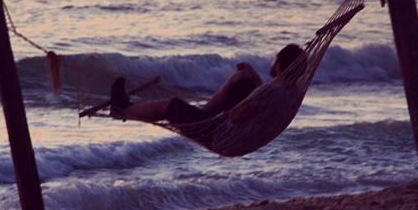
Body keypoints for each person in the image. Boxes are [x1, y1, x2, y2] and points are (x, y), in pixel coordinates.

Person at [110, 43, 304, 124]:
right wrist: (251, 74)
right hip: (233, 131)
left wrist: (226, 116)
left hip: (217, 132)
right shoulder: (289, 92)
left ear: (279, 65)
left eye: (275, 59)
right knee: (245, 78)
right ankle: (204, 110)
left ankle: (122, 110)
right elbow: (262, 97)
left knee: (170, 105)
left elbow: (238, 115)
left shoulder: (271, 92)